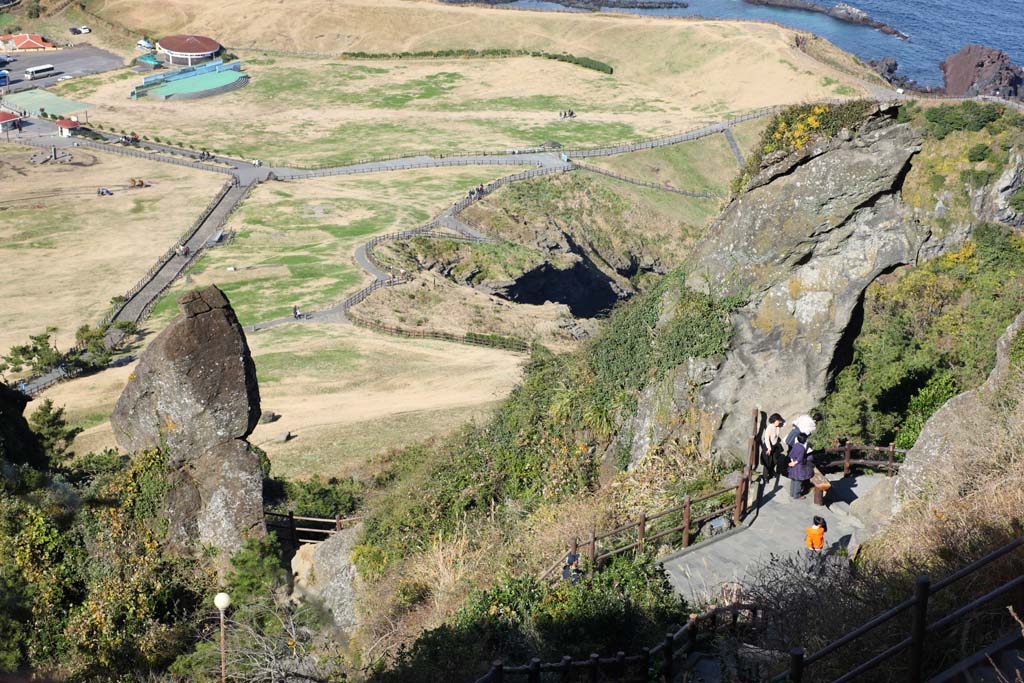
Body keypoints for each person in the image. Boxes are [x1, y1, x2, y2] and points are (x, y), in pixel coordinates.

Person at [788, 432, 814, 499]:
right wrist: (795, 462)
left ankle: (792, 493)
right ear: (805, 440)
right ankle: (797, 495)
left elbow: (791, 454)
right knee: (798, 482)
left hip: (793, 466)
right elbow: (800, 459)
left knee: (793, 480)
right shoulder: (802, 449)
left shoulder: (796, 445)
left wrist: (792, 462)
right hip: (799, 467)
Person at [761, 413, 785, 481]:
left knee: (774, 461)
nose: (780, 422)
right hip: (768, 446)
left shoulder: (777, 426)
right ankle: (765, 477)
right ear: (775, 420)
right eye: (778, 420)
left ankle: (771, 472)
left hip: (774, 446)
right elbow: (766, 439)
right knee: (767, 462)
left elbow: (776, 436)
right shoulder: (770, 427)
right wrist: (769, 448)